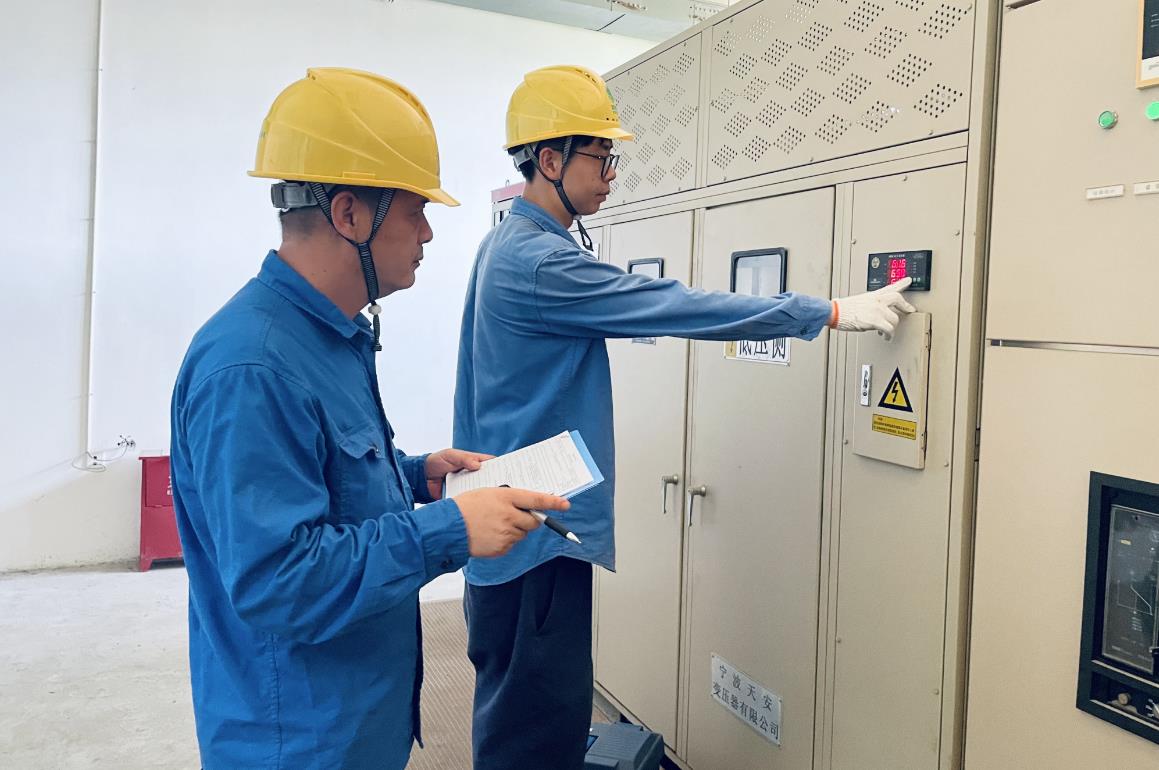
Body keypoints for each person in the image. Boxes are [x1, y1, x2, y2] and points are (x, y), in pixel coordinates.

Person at [453, 64, 916, 769]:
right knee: (535, 733)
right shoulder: (541, 262)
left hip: (517, 530)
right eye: (600, 157)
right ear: (549, 160)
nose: (612, 174)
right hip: (533, 541)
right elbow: (675, 306)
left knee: (526, 719)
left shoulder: (506, 244)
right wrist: (823, 311)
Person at [169, 67, 568, 770]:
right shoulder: (253, 367)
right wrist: (450, 530)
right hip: (298, 742)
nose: (427, 233)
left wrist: (417, 477)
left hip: (356, 721)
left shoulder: (328, 337)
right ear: (349, 214)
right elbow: (279, 580)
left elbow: (321, 482)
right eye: (415, 211)